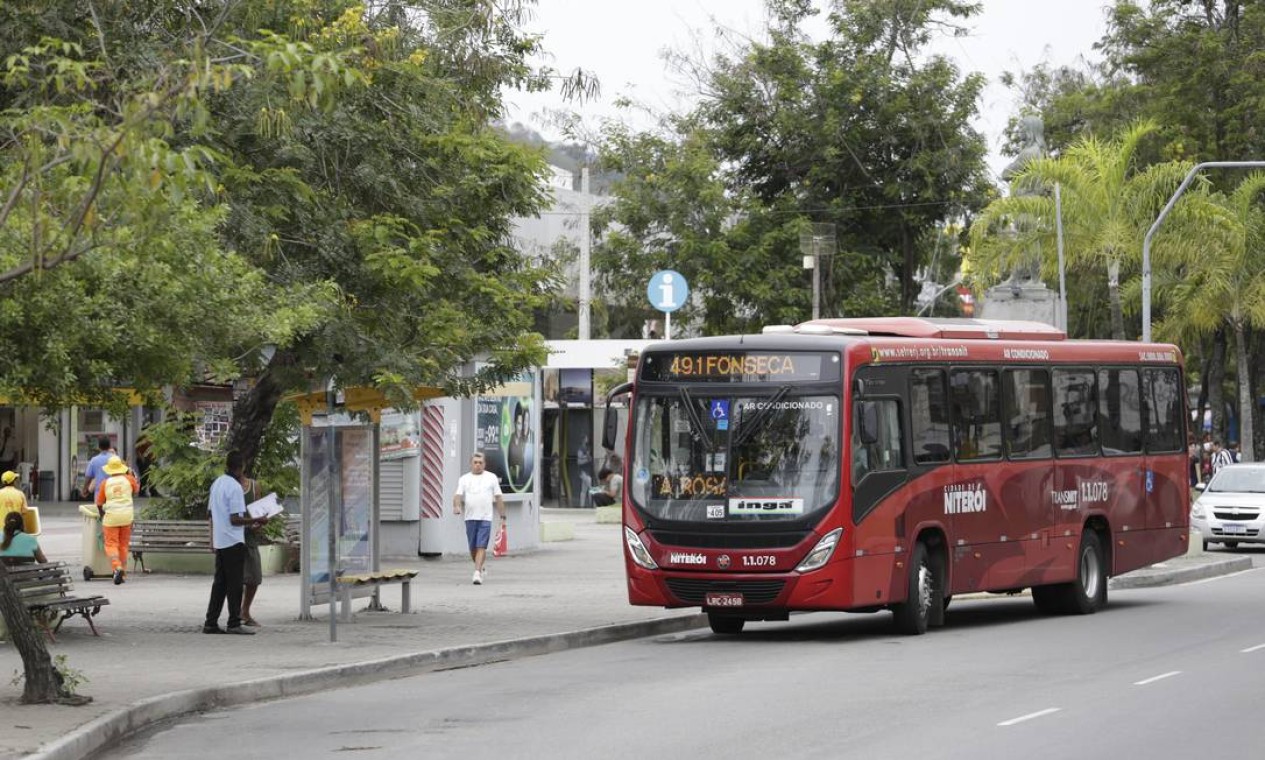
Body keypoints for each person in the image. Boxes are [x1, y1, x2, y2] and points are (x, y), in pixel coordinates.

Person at [204, 451, 266, 634]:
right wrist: (256, 521)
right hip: (233, 540)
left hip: (220, 540)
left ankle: (211, 622)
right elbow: (235, 519)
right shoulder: (235, 487)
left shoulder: (217, 483)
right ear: (241, 467)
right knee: (235, 584)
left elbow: (210, 513)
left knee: (220, 583)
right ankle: (234, 622)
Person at [453, 452, 505, 585]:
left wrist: (502, 515)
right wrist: (457, 506)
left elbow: (498, 497)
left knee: (481, 545)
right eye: (475, 462)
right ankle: (480, 567)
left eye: (480, 463)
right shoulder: (464, 479)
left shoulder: (491, 477)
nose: (477, 465)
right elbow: (458, 495)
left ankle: (476, 573)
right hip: (470, 518)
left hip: (485, 518)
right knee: (472, 548)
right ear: (471, 464)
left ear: (484, 464)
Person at [94, 455, 139, 584]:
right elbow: (136, 490)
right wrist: (131, 475)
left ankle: (117, 567)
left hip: (111, 518)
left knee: (111, 544)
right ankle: (123, 574)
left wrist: (103, 516)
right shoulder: (129, 479)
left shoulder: (105, 483)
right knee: (123, 545)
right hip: (127, 517)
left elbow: (99, 503)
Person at [240, 473, 264, 627]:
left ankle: (245, 609)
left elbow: (258, 510)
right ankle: (237, 612)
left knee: (254, 577)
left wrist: (258, 523)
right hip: (232, 537)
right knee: (236, 579)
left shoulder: (254, 486)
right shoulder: (228, 486)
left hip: (249, 537)